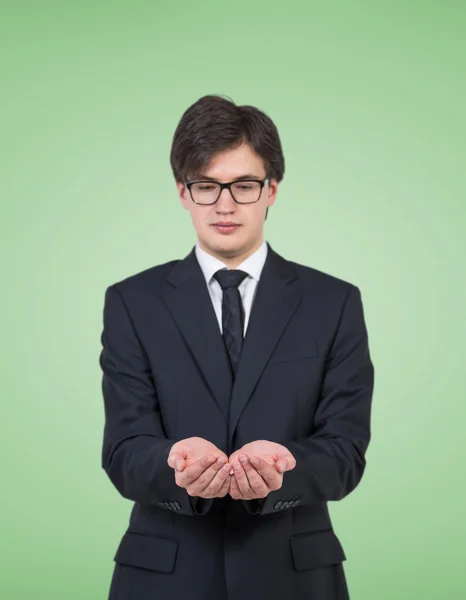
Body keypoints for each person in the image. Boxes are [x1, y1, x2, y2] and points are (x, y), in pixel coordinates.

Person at [99, 94, 375, 600]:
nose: (224, 205)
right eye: (206, 186)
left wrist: (284, 466)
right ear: (183, 193)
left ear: (272, 190)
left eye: (244, 185)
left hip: (294, 577)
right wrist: (175, 464)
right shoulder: (131, 302)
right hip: (164, 576)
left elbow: (345, 451)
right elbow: (122, 450)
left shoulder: (332, 302)